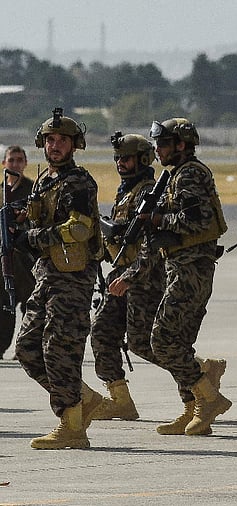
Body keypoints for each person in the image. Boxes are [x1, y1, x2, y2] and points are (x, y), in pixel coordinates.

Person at [15, 108, 103, 449]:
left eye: (62, 140)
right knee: (26, 349)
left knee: (59, 349)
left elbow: (79, 228)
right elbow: (39, 221)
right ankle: (82, 400)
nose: (55, 145)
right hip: (47, 275)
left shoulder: (78, 182)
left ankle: (72, 425)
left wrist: (35, 238)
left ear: (74, 145)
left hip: (72, 277)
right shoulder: (44, 181)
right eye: (50, 140)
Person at [146, 117, 230, 436]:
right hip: (184, 266)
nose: (158, 150)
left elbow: (196, 218)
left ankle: (208, 399)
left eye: (164, 144)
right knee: (180, 341)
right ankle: (193, 408)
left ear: (181, 145)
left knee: (163, 339)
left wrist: (158, 220)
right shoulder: (178, 175)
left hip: (191, 269)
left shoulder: (190, 173)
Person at [87, 132, 166, 420]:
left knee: (145, 343)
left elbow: (152, 245)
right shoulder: (127, 191)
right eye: (118, 158)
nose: (121, 163)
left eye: (127, 158)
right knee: (102, 333)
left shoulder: (150, 193)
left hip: (145, 277)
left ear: (143, 160)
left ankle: (200, 374)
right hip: (121, 273)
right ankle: (120, 398)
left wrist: (131, 276)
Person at [1, 146, 36, 360]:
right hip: (4, 259)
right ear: (4, 164)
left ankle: (26, 349)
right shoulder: (1, 192)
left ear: (25, 163)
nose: (15, 164)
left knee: (31, 306)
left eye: (19, 160)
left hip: (28, 257)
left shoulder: (34, 191)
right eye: (11, 160)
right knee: (4, 306)